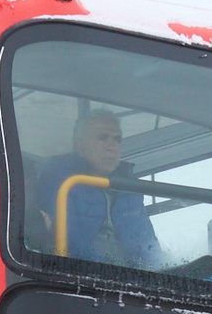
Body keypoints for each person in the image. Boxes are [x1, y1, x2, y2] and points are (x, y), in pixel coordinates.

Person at [38, 110, 164, 268]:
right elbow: (71, 241)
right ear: (80, 146)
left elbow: (148, 246)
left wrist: (159, 274)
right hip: (84, 275)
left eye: (117, 140)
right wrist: (104, 273)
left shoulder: (131, 190)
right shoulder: (62, 180)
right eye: (103, 138)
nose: (111, 146)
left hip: (130, 279)